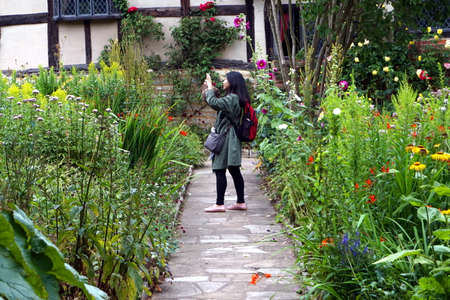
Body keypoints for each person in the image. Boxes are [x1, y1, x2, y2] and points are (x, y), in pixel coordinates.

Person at [203, 71, 249, 212]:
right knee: (234, 169)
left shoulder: (233, 98)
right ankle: (240, 202)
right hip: (230, 136)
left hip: (226, 137)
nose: (223, 82)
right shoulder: (235, 98)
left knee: (219, 168)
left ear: (232, 82)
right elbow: (219, 103)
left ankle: (219, 204)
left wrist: (210, 86)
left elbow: (214, 102)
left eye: (225, 80)